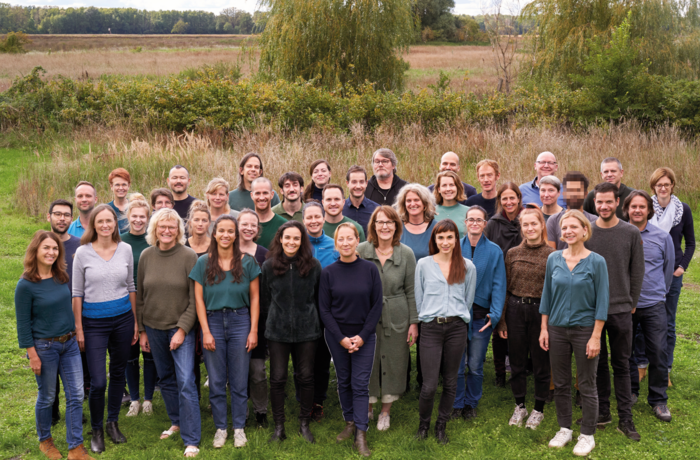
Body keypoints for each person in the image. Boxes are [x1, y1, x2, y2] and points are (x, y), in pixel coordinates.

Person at [15, 231, 93, 460]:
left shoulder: (61, 276)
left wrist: (77, 331)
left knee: (76, 395)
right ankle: (45, 440)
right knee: (48, 396)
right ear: (35, 251)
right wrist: (33, 355)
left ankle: (75, 447)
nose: (51, 252)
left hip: (68, 344)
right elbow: (22, 324)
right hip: (44, 347)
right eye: (46, 248)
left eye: (55, 248)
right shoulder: (26, 285)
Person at [539, 210, 608, 457]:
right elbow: (547, 295)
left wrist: (596, 336)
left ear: (584, 230)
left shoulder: (596, 261)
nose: (567, 231)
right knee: (561, 382)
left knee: (587, 384)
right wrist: (544, 328)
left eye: (572, 227)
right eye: (564, 227)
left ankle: (587, 435)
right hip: (556, 330)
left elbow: (602, 301)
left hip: (584, 331)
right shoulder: (553, 259)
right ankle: (565, 428)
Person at [190, 215, 261, 449]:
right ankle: (221, 427)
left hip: (241, 320)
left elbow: (255, 298)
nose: (226, 235)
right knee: (218, 380)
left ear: (236, 235)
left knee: (240, 380)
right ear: (214, 233)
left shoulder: (248, 262)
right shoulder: (203, 262)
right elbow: (198, 300)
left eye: (231, 231)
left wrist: (253, 331)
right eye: (221, 231)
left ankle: (238, 427)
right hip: (212, 322)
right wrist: (206, 332)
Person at [72, 204, 138, 453]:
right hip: (93, 323)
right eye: (100, 221)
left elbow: (131, 285)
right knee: (99, 381)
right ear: (93, 225)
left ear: (115, 223)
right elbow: (77, 293)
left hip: (122, 319)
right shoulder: (83, 253)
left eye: (109, 220)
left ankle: (113, 423)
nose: (105, 225)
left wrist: (134, 320)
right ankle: (97, 429)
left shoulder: (126, 249)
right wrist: (79, 328)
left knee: (118, 374)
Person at [136, 209, 201, 457]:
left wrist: (183, 329)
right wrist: (142, 331)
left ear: (178, 230)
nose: (166, 231)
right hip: (153, 328)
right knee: (166, 379)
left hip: (179, 328)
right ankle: (176, 422)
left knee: (186, 380)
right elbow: (141, 297)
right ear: (155, 229)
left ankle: (192, 438)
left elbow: (195, 299)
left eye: (171, 227)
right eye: (162, 226)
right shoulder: (145, 256)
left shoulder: (188, 256)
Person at [585, 182, 644, 441]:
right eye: (600, 202)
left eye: (609, 201)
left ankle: (626, 419)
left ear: (618, 202)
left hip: (621, 309)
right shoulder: (588, 233)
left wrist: (632, 301)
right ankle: (602, 412)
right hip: (591, 310)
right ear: (594, 203)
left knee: (621, 364)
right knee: (596, 364)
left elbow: (637, 270)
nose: (604, 206)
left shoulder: (630, 232)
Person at [319, 223, 383, 457]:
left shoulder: (369, 269)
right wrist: (341, 338)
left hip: (364, 335)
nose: (345, 243)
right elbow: (324, 310)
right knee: (344, 380)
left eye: (350, 238)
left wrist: (363, 336)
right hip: (337, 336)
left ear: (358, 240)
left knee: (359, 383)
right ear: (336, 244)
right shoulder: (328, 273)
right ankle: (349, 422)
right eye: (341, 239)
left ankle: (361, 434)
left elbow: (377, 305)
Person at [415, 219, 476, 445]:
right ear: (434, 240)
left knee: (451, 381)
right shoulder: (423, 264)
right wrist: (426, 319)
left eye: (450, 237)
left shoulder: (467, 266)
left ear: (456, 239)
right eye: (440, 237)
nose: (445, 242)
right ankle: (424, 424)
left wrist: (456, 315)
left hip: (456, 328)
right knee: (429, 385)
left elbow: (468, 299)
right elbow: (419, 298)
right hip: (431, 328)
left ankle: (441, 426)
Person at [261, 221, 323, 443]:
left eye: (296, 238)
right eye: (287, 237)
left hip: (307, 331)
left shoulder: (313, 266)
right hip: (277, 332)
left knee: (306, 377)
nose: (291, 242)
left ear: (302, 241)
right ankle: (279, 428)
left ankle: (304, 424)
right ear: (280, 239)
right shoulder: (268, 266)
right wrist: (273, 321)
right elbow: (265, 300)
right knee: (278, 378)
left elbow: (318, 299)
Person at [357, 206, 418, 432]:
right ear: (373, 226)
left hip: (397, 314)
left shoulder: (406, 253)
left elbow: (411, 291)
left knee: (394, 361)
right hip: (366, 315)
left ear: (396, 226)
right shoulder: (361, 250)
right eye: (380, 222)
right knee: (368, 360)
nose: (384, 227)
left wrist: (413, 322)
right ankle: (369, 406)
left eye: (389, 222)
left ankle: (386, 411)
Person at [497, 205, 554, 429]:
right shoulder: (512, 254)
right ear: (521, 228)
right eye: (525, 224)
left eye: (534, 223)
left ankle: (538, 408)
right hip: (515, 310)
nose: (530, 228)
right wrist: (502, 319)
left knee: (541, 363)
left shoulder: (552, 255)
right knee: (517, 363)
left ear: (542, 225)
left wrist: (546, 325)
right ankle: (519, 405)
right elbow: (506, 289)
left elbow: (553, 292)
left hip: (540, 311)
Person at [623, 191, 674, 422]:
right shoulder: (620, 235)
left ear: (648, 210)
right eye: (633, 206)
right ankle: (631, 391)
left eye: (641, 207)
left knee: (658, 351)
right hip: (625, 305)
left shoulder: (663, 237)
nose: (637, 210)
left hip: (653, 304)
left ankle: (658, 400)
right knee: (626, 351)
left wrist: (658, 293)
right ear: (627, 209)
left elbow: (668, 269)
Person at [452, 206, 506, 420]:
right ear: (465, 223)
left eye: (479, 220)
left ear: (485, 224)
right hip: (456, 314)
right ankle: (456, 403)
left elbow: (499, 284)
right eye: (471, 219)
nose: (474, 223)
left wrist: (495, 314)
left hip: (481, 317)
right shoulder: (454, 247)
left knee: (475, 365)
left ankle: (471, 403)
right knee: (456, 365)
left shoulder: (494, 251)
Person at [647, 167, 695, 387]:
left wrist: (681, 267)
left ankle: (665, 369)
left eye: (667, 184)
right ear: (654, 187)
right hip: (649, 272)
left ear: (672, 185)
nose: (663, 188)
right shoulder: (645, 208)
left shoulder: (682, 209)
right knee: (643, 321)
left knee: (668, 321)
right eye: (659, 185)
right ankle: (642, 366)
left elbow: (691, 242)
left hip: (673, 273)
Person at [120, 198, 158, 418]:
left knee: (149, 352)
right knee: (130, 353)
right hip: (125, 303)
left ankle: (148, 399)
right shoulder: (121, 241)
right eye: (134, 216)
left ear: (148, 218)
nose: (138, 220)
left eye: (142, 216)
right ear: (128, 217)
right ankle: (134, 398)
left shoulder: (153, 242)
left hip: (150, 302)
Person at [47, 199, 84, 426]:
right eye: (57, 214)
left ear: (72, 218)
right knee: (50, 368)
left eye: (66, 215)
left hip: (76, 314)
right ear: (49, 216)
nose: (62, 218)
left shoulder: (80, 245)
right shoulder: (43, 242)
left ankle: (77, 409)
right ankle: (52, 411)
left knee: (76, 365)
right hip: (49, 317)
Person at [301, 201, 338, 420]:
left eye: (317, 217)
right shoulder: (297, 243)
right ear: (303, 220)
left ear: (324, 218)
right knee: (303, 361)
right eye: (309, 217)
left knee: (322, 360)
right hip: (302, 312)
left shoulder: (333, 245)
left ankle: (318, 402)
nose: (313, 221)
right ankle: (302, 400)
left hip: (326, 312)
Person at [485, 182, 523, 387]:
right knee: (500, 329)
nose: (509, 202)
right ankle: (500, 373)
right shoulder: (493, 224)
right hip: (499, 282)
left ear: (519, 198)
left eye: (512, 198)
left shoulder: (526, 220)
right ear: (500, 201)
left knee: (519, 330)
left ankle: (521, 369)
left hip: (522, 281)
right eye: (504, 198)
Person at [237, 209, 270, 427]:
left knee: (258, 371)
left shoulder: (265, 255)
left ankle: (261, 412)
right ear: (237, 225)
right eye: (244, 224)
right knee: (237, 371)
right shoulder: (226, 252)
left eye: (253, 225)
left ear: (257, 229)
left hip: (258, 320)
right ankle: (241, 412)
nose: (249, 228)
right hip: (232, 320)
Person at [546, 172, 597, 250]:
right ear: (564, 193)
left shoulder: (594, 221)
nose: (573, 194)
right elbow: (551, 253)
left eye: (577, 190)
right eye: (570, 190)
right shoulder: (553, 220)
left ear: (585, 194)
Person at [397, 183, 438, 262]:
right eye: (409, 200)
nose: (412, 204)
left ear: (425, 204)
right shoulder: (396, 227)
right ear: (404, 204)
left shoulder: (436, 227)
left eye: (416, 200)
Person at [252, 177, 287, 249]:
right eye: (257, 193)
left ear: (272, 194)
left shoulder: (283, 225)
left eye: (265, 193)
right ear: (252, 195)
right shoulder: (244, 225)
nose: (261, 197)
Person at [343, 165, 379, 235]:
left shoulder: (376, 210)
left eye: (361, 182)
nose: (358, 186)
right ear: (347, 183)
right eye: (354, 182)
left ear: (366, 183)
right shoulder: (340, 209)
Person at [434, 171, 470, 238]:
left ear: (457, 187)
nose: (448, 189)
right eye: (444, 185)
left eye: (451, 185)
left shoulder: (468, 212)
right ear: (439, 189)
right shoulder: (431, 212)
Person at [107, 168, 131, 233]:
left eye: (124, 184)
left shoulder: (135, 206)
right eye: (117, 185)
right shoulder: (106, 209)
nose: (121, 188)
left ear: (129, 186)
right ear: (111, 186)